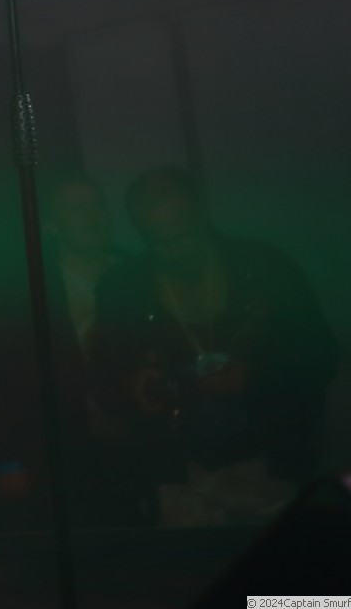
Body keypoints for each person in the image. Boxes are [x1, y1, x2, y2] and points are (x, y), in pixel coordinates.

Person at [88, 166, 339, 528]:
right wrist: (131, 385)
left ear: (201, 214)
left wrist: (255, 376)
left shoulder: (266, 268)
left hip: (269, 464)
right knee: (197, 562)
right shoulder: (123, 288)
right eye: (159, 243)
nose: (174, 252)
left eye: (184, 237)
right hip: (178, 476)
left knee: (280, 560)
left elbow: (322, 355)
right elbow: (102, 379)